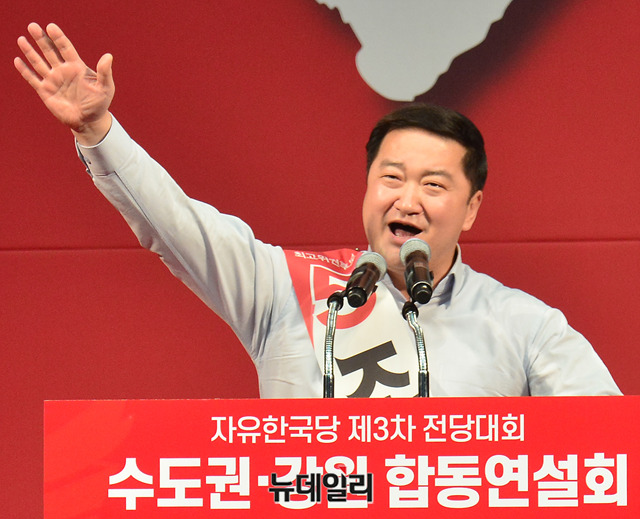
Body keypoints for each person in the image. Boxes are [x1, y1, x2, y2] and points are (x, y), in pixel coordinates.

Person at [15, 23, 620, 398]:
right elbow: (176, 224)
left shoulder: (525, 325)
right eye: (391, 178)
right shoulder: (285, 288)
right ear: (367, 188)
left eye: (433, 185)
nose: (407, 199)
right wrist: (97, 130)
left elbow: (606, 455)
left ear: (471, 209)